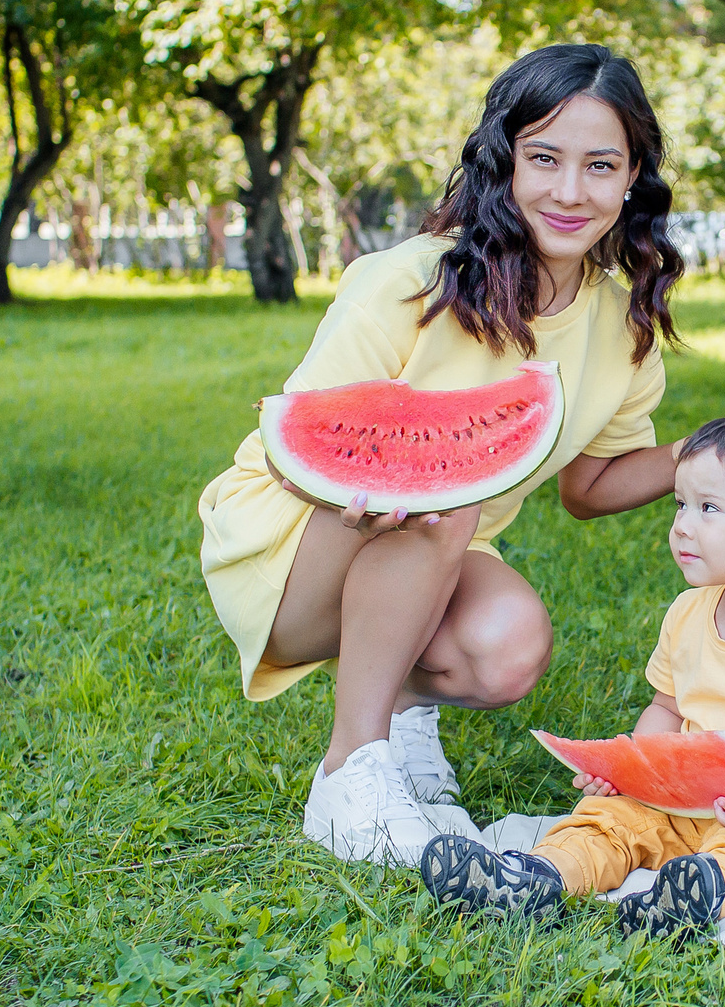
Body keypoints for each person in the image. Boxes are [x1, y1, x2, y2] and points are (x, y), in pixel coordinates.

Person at [197, 44, 684, 865]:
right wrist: (377, 479)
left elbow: (590, 487)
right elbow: (296, 441)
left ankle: (402, 710)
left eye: (601, 165)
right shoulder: (408, 281)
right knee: (444, 490)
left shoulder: (624, 327)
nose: (570, 191)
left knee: (509, 648)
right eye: (544, 159)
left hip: (442, 547)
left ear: (634, 175)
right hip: (289, 544)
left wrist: (705, 450)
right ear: (504, 159)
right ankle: (349, 772)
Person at [419, 411, 725, 932]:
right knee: (609, 821)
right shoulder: (688, 610)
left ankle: (699, 895)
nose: (681, 524)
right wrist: (631, 771)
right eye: (680, 504)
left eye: (709, 508)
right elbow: (666, 708)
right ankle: (535, 878)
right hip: (693, 796)